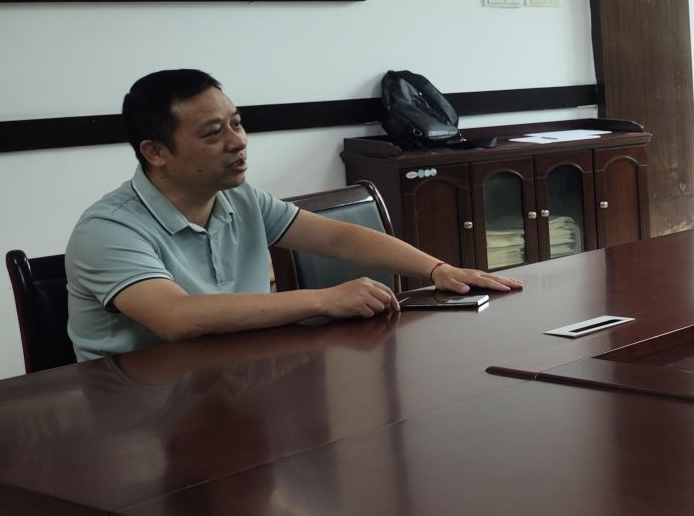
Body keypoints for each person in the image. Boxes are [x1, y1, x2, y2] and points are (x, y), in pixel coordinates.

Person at [66, 70, 521, 361]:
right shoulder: (108, 229)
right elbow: (178, 317)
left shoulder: (240, 199)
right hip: (135, 409)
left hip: (229, 381)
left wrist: (437, 269)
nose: (238, 141)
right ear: (155, 152)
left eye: (237, 122)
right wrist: (324, 300)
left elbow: (339, 238)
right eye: (213, 133)